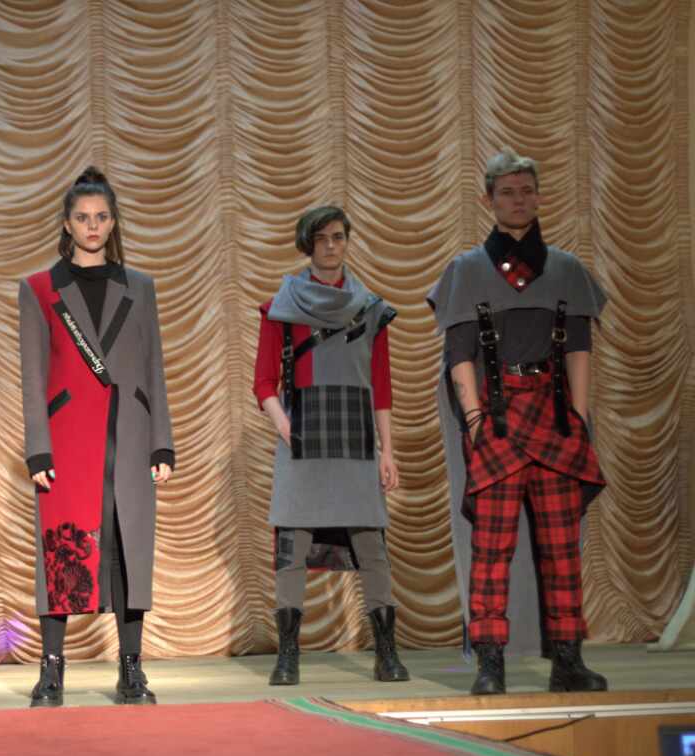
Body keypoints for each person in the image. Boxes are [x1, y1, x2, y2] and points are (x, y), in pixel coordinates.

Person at [428, 149, 608, 695]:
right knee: (491, 549)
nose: (518, 200)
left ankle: (568, 660)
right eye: (507, 192)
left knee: (561, 548)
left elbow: (578, 347)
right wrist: (475, 421)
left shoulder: (567, 269)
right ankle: (491, 663)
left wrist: (579, 417)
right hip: (498, 421)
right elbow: (459, 352)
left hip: (554, 420)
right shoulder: (466, 270)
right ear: (489, 199)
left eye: (527, 190)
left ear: (538, 196)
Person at [18, 167, 175, 707]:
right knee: (62, 550)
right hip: (66, 441)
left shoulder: (140, 287)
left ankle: (131, 669)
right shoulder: (39, 289)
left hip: (129, 434)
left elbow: (154, 366)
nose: (92, 225)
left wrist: (162, 441)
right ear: (67, 223)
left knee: (130, 549)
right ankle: (51, 670)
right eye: (83, 217)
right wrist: (37, 447)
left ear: (113, 222)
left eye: (101, 217)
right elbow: (33, 374)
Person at [254, 205, 409, 686]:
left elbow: (380, 385)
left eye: (338, 237)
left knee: (372, 546)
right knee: (292, 546)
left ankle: (386, 652)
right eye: (321, 238)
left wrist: (387, 450)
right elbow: (263, 381)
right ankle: (288, 655)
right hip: (303, 435)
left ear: (346, 241)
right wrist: (286, 426)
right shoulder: (281, 307)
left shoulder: (371, 308)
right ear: (308, 244)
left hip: (355, 435)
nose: (330, 246)